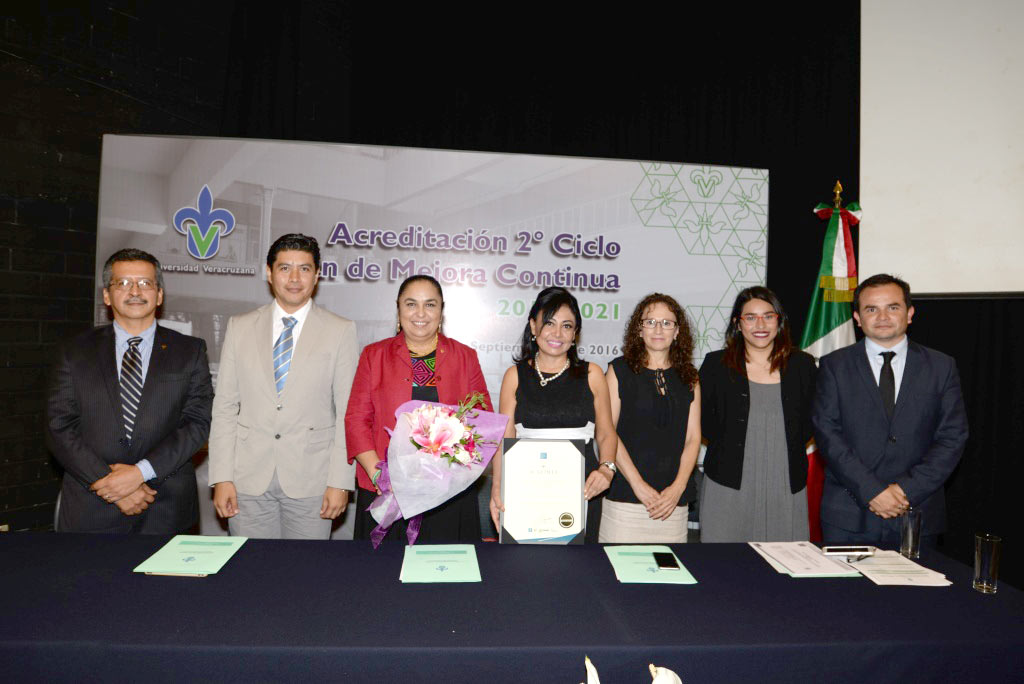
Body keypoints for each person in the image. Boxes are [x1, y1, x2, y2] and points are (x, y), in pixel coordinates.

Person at [46, 248, 213, 533]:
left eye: (145, 283)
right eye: (123, 283)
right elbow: (58, 426)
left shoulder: (190, 351)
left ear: (159, 295)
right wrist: (109, 483)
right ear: (107, 295)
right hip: (92, 505)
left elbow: (198, 423)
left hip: (165, 507)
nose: (135, 291)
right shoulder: (74, 352)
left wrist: (140, 473)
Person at [209, 234, 358, 539]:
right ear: (269, 272)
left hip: (313, 481)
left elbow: (348, 413)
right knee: (250, 566)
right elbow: (224, 407)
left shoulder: (341, 330)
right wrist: (221, 476)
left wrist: (340, 481)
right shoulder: (240, 327)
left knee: (305, 569)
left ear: (317, 275)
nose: (294, 278)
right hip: (246, 480)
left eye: (304, 269)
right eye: (285, 268)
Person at [813, 274, 968, 546]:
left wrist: (906, 490)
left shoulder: (941, 367)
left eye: (892, 307)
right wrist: (872, 491)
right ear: (857, 318)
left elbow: (952, 438)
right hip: (849, 515)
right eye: (871, 309)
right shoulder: (834, 366)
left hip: (916, 513)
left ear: (909, 313)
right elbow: (827, 434)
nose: (882, 316)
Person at [344, 275, 491, 542]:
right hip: (387, 491)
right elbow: (356, 420)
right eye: (411, 304)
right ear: (398, 309)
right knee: (382, 568)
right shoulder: (374, 355)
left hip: (448, 494)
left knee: (444, 566)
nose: (420, 313)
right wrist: (379, 475)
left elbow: (482, 422)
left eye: (430, 305)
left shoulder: (464, 357)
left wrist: (451, 470)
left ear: (441, 311)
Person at [489, 287, 618, 543]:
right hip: (525, 490)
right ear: (533, 326)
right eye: (549, 323)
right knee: (524, 563)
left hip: (582, 491)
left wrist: (607, 469)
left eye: (567, 326)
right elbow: (505, 438)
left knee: (580, 565)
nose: (557, 333)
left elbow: (606, 433)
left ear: (575, 334)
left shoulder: (592, 374)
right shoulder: (515, 376)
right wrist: (497, 488)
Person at [698, 286, 817, 542]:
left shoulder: (803, 365)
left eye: (768, 316)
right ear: (737, 324)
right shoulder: (716, 365)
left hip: (785, 485)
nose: (760, 325)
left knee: (785, 561)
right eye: (750, 317)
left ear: (779, 321)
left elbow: (811, 422)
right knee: (724, 562)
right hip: (728, 484)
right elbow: (704, 423)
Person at [600, 293, 701, 543]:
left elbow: (693, 438)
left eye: (667, 323)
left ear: (677, 331)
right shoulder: (618, 370)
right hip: (626, 500)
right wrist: (639, 486)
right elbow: (609, 433)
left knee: (670, 569)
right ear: (639, 329)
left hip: (672, 505)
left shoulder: (690, 376)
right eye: (650, 322)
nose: (658, 329)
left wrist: (677, 488)